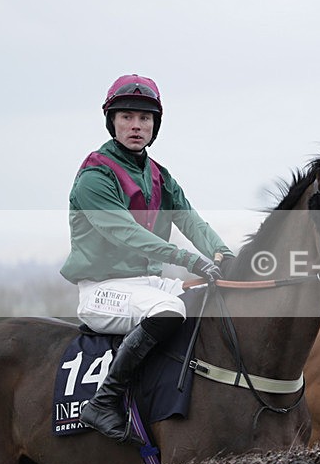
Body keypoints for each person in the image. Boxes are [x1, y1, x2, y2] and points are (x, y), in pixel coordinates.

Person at [61, 74, 235, 443]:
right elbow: (126, 233)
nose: (136, 126)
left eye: (145, 118)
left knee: (210, 299)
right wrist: (189, 259)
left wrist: (224, 254)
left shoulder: (159, 175)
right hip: (103, 289)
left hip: (148, 284)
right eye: (127, 117)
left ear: (155, 125)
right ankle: (103, 402)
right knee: (169, 312)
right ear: (112, 122)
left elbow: (191, 220)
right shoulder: (95, 176)